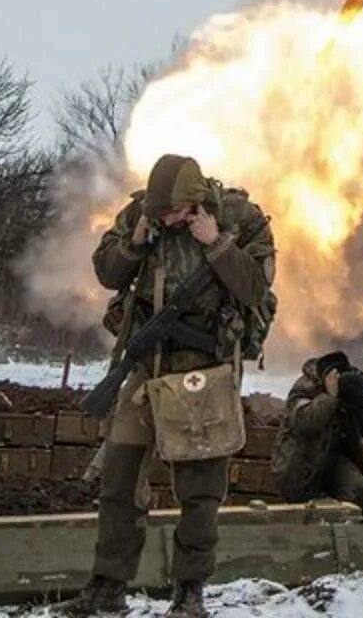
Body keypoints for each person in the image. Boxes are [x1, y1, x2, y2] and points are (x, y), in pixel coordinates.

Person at [58, 154, 275, 618]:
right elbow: (107, 273)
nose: (166, 221)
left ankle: (189, 590)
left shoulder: (241, 219)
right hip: (145, 367)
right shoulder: (140, 215)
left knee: (199, 491)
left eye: (174, 213)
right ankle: (107, 586)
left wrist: (215, 245)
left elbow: (256, 290)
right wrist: (134, 245)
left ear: (196, 202)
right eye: (161, 213)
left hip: (204, 371)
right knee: (119, 480)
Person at [271, 350, 363, 512]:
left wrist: (361, 401)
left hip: (333, 461)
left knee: (358, 490)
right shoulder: (304, 388)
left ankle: (351, 532)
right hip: (300, 464)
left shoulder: (347, 392)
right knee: (306, 511)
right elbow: (306, 422)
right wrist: (330, 397)